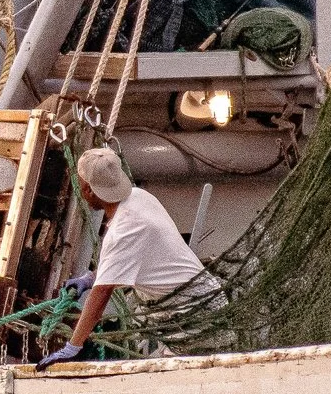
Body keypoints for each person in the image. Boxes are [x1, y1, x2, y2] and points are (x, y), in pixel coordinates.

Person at [38, 147, 216, 368]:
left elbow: (101, 295)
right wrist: (92, 277)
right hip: (204, 299)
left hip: (194, 315)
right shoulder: (140, 197)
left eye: (81, 186)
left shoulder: (122, 231)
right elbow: (133, 255)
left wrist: (73, 347)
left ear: (89, 191)